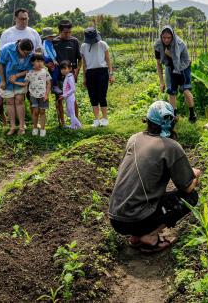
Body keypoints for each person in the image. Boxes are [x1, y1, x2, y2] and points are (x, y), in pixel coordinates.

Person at [109, 101, 201, 253]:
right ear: (172, 122)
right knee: (191, 197)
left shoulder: (134, 138)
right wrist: (195, 174)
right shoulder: (171, 146)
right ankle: (150, 236)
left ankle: (136, 236)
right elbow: (186, 186)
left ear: (148, 121)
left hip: (116, 218)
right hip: (137, 219)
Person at [154, 26, 197, 122]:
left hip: (183, 67)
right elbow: (159, 63)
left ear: (172, 36)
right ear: (161, 37)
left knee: (185, 89)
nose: (166, 40)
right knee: (171, 91)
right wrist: (161, 82)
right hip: (170, 67)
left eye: (168, 37)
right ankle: (174, 116)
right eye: (164, 38)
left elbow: (179, 60)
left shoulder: (180, 44)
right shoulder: (158, 45)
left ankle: (192, 114)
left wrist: (169, 55)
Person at [0, 38, 33, 135]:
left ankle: (21, 126)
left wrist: (17, 76)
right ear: (19, 48)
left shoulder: (30, 54)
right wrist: (3, 81)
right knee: (9, 102)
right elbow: (0, 65)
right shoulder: (7, 49)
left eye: (28, 53)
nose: (26, 55)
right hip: (5, 78)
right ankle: (12, 127)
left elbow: (30, 69)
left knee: (19, 100)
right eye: (24, 53)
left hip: (20, 79)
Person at [81, 27, 114, 127]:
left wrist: (111, 74)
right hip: (90, 72)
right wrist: (84, 77)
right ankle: (96, 119)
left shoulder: (103, 44)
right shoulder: (83, 46)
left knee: (102, 96)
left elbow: (108, 60)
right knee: (93, 96)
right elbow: (84, 63)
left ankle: (105, 118)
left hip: (102, 71)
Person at [52, 20, 82, 125]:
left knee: (72, 99)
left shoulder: (74, 41)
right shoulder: (54, 42)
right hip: (58, 77)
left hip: (70, 76)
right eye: (65, 32)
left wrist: (77, 71)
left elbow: (80, 58)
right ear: (59, 31)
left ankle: (75, 121)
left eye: (70, 32)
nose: (68, 34)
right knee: (59, 99)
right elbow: (48, 57)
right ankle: (62, 123)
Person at [24, 54, 52, 137]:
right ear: (32, 62)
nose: (40, 63)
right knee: (35, 112)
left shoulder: (45, 72)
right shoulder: (30, 73)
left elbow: (49, 84)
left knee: (42, 112)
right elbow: (25, 83)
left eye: (41, 61)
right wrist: (14, 82)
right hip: (33, 95)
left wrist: (47, 94)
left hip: (43, 95)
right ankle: (35, 127)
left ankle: (43, 129)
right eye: (37, 61)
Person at [61, 60, 82, 129]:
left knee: (71, 113)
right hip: (68, 98)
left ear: (70, 69)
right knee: (69, 113)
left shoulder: (70, 77)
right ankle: (78, 126)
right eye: (62, 69)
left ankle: (73, 127)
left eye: (65, 68)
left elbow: (73, 89)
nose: (63, 70)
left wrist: (64, 95)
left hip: (70, 97)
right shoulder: (67, 76)